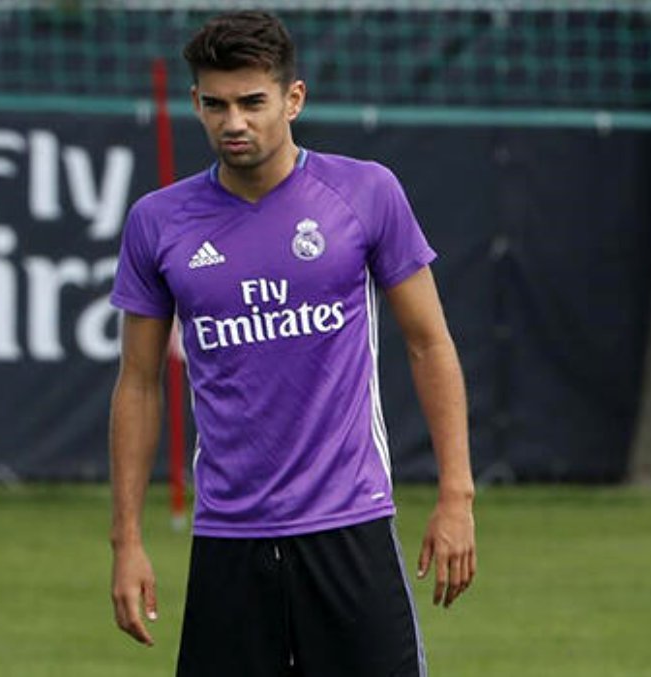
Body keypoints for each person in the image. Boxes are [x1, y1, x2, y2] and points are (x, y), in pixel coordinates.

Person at [108, 10, 475, 676]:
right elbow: (137, 381)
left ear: (293, 98)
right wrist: (126, 540)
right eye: (215, 104)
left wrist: (457, 497)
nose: (234, 121)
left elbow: (430, 344)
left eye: (253, 102)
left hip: (350, 525)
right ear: (195, 103)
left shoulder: (366, 192)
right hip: (228, 537)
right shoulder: (157, 223)